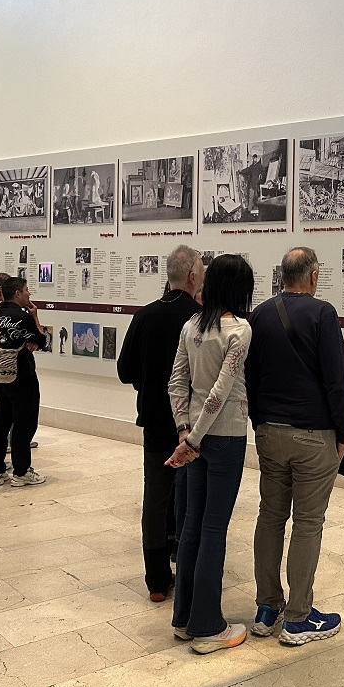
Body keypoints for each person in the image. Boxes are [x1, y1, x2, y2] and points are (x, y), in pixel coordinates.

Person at [245, 247, 344, 646]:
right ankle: (298, 617)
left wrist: (260, 420)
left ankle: (267, 607)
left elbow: (250, 375)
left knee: (270, 516)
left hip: (270, 432)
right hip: (313, 434)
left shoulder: (261, 314)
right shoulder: (323, 313)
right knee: (308, 522)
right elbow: (336, 380)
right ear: (313, 276)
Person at [165, 254, 254, 654]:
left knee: (192, 527)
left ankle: (184, 618)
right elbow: (221, 392)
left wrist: (185, 431)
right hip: (224, 438)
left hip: (196, 440)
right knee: (212, 530)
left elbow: (177, 382)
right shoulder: (240, 330)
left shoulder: (192, 326)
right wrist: (193, 440)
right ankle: (206, 626)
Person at [117, 246, 203, 602]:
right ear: (193, 276)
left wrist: (149, 380)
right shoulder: (200, 318)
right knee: (191, 497)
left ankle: (156, 580)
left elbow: (125, 371)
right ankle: (187, 566)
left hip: (155, 419)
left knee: (155, 496)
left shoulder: (145, 315)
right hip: (194, 425)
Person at [0, 275, 48, 486]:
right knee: (24, 424)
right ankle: (21, 472)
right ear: (17, 293)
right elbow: (42, 340)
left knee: (0, 423)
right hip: (22, 377)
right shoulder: (22, 317)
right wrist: (35, 318)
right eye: (26, 290)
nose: (29, 293)